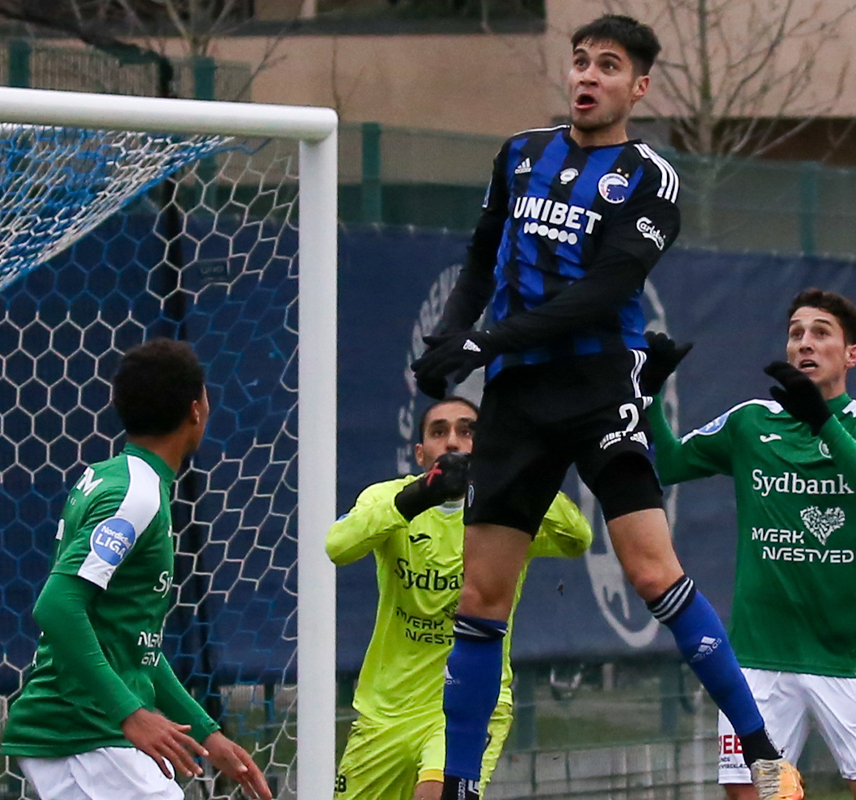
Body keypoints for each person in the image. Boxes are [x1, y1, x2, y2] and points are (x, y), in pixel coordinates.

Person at [409, 13, 802, 800]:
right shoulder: (519, 155)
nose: (588, 77)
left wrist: (485, 344)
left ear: (638, 86)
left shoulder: (652, 178)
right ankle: (458, 785)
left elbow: (605, 294)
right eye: (581, 62)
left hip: (597, 388)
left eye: (608, 66)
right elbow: (482, 256)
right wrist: (451, 339)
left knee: (653, 573)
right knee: (481, 599)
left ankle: (759, 747)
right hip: (519, 398)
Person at [0, 339, 272, 800]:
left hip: (85, 730)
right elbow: (57, 605)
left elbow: (134, 647)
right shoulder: (135, 494)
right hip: (85, 732)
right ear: (196, 409)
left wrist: (208, 733)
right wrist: (130, 713)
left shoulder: (117, 480)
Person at [644, 290, 856, 800]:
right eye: (796, 333)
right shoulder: (751, 422)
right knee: (753, 794)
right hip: (761, 663)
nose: (805, 342)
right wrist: (648, 394)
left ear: (851, 354)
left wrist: (822, 422)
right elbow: (670, 463)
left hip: (847, 659)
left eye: (821, 332)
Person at [327, 397, 591, 800]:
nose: (453, 442)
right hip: (386, 712)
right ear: (420, 454)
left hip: (468, 702)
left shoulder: (506, 513)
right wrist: (419, 496)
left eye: (468, 431)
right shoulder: (390, 498)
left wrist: (515, 475)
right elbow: (338, 546)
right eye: (439, 432)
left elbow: (578, 539)